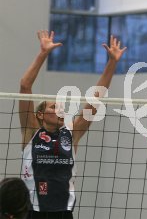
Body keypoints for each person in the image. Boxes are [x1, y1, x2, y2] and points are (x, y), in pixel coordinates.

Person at [19, 31, 126, 219]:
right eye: (54, 107)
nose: (61, 110)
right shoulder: (31, 132)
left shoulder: (72, 133)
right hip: (33, 212)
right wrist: (43, 54)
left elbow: (96, 98)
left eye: (62, 107)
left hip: (63, 213)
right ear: (41, 114)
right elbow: (25, 86)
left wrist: (112, 63)